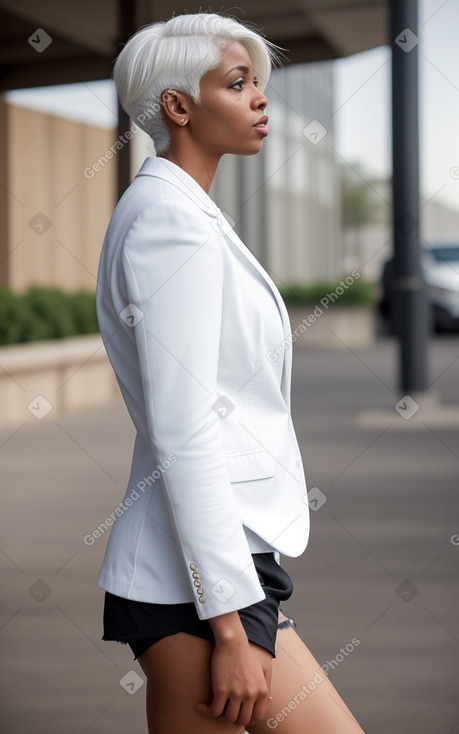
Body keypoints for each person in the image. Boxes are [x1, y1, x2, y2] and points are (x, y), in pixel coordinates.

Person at [96, 11, 365, 734]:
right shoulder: (168, 223)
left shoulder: (186, 212)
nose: (259, 98)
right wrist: (229, 627)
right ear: (178, 107)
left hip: (219, 568)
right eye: (237, 82)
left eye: (256, 83)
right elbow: (184, 428)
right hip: (197, 583)